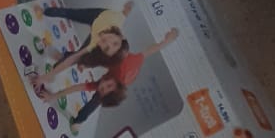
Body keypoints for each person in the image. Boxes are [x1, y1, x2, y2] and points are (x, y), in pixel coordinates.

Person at [30, 27, 180, 115]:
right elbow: (149, 51)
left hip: (123, 75)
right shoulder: (125, 62)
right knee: (83, 57)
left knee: (86, 67)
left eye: (102, 88)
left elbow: (78, 87)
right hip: (125, 66)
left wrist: (54, 96)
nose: (104, 83)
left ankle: (64, 57)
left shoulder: (102, 87)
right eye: (108, 85)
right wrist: (167, 41)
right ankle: (63, 57)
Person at [38, 1, 133, 79]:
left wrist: (48, 75)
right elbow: (125, 13)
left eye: (106, 48)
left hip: (96, 35)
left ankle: (58, 62)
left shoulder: (96, 43)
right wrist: (128, 7)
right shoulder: (118, 19)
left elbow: (75, 58)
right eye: (115, 43)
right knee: (72, 13)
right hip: (98, 15)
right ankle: (45, 11)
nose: (108, 41)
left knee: (78, 57)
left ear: (103, 52)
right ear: (121, 37)